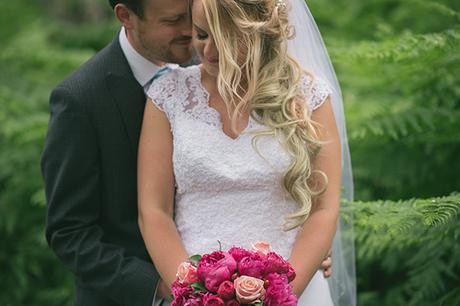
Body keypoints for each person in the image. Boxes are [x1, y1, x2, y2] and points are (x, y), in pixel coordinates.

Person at [41, 0, 333, 305]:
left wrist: (296, 266)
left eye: (194, 22)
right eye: (174, 20)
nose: (191, 34)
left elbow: (313, 202)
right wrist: (182, 290)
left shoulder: (217, 60)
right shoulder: (83, 98)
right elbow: (70, 231)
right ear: (125, 16)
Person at [137, 0, 355, 305]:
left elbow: (324, 209)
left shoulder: (309, 96)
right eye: (202, 35)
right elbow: (154, 211)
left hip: (294, 289)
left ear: (258, 33)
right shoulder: (168, 95)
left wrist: (281, 296)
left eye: (225, 38)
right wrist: (192, 294)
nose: (209, 51)